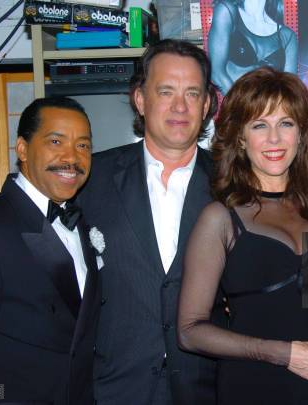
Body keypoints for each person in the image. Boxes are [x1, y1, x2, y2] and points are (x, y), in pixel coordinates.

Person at [177, 67, 308, 404]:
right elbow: (189, 331)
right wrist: (281, 353)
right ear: (241, 138)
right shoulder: (221, 219)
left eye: (286, 123)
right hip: (255, 386)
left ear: (302, 133)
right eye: (260, 125)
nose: (274, 139)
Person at [76, 39, 219, 405]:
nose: (180, 106)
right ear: (140, 99)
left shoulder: (233, 185)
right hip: (114, 386)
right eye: (166, 91)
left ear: (206, 105)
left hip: (209, 386)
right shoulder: (91, 177)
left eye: (192, 93)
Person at [0, 97, 100, 404]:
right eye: (56, 141)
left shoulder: (82, 224)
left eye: (83, 146)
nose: (72, 157)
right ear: (23, 149)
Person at [209, 0, 298, 94]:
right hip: (236, 106)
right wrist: (241, 106)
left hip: (271, 107)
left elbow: (290, 90)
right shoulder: (227, 11)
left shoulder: (287, 36)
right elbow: (216, 73)